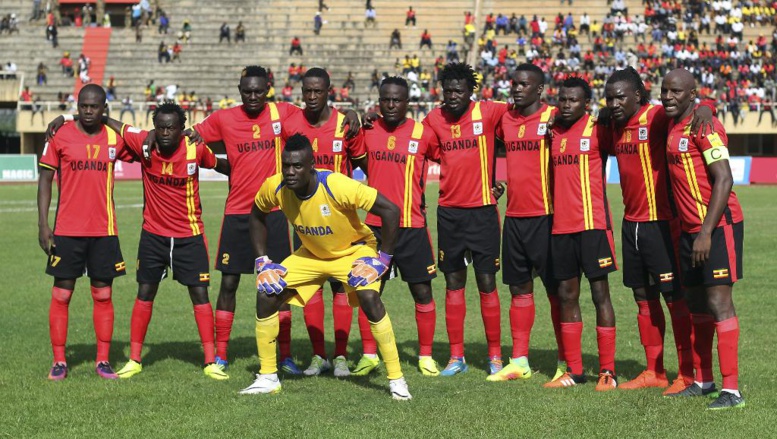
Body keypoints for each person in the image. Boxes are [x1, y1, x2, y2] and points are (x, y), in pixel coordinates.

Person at [184, 65, 358, 374]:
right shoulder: (223, 118)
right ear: (239, 90)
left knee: (281, 285)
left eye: (258, 91)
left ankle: (287, 355)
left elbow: (318, 116)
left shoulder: (283, 114)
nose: (252, 96)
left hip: (275, 213)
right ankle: (221, 354)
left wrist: (354, 115)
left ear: (268, 89)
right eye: (246, 91)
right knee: (229, 283)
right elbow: (193, 136)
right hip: (237, 213)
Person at [238, 133, 411, 400]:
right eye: (286, 166)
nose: (291, 172)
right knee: (266, 294)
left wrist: (383, 259)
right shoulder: (275, 187)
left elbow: (390, 210)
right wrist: (262, 260)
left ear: (311, 165)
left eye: (297, 166)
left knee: (369, 298)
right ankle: (268, 377)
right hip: (310, 255)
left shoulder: (337, 185)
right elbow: (256, 214)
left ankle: (397, 379)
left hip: (352, 251)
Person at [81, 103, 228, 380]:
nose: (165, 133)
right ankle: (135, 359)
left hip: (190, 236)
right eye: (159, 127)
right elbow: (115, 124)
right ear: (153, 127)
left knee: (199, 295)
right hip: (153, 236)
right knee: (145, 293)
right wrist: (68, 116)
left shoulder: (195, 148)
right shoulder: (144, 145)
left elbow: (220, 165)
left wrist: (247, 180)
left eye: (171, 127)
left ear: (182, 127)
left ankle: (210, 362)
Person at [602, 67, 713, 394]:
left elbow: (693, 110)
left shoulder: (656, 117)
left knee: (675, 300)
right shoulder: (613, 126)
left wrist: (708, 106)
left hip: (662, 224)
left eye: (621, 96)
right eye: (609, 98)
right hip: (631, 224)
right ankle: (654, 371)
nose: (614, 103)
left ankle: (687, 373)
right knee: (642, 299)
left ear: (638, 95)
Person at [661, 68, 745, 410]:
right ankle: (703, 380)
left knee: (718, 303)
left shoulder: (705, 126)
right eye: (664, 90)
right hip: (689, 230)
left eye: (676, 91)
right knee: (695, 303)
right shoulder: (672, 123)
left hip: (717, 227)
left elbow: (724, 179)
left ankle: (732, 390)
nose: (668, 96)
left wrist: (707, 233)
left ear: (691, 93)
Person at [421, 63, 508, 377]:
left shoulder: (488, 112)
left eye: (459, 90)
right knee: (453, 283)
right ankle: (455, 357)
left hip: (483, 213)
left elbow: (524, 112)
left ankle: (495, 356)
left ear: (471, 90)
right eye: (448, 91)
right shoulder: (433, 119)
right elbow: (421, 149)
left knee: (487, 283)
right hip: (449, 214)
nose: (452, 96)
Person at [280, 68, 367, 376]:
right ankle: (319, 356)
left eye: (318, 91)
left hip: (342, 222)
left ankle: (341, 356)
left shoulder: (346, 123)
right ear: (301, 92)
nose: (313, 97)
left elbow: (363, 163)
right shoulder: (290, 124)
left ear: (330, 91)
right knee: (311, 287)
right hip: (305, 222)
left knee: (342, 288)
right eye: (307, 92)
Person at [38, 84, 127, 381]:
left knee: (103, 295)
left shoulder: (115, 137)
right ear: (78, 106)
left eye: (94, 106)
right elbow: (45, 180)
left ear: (104, 108)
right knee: (62, 295)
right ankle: (59, 361)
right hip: (67, 230)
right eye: (83, 106)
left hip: (104, 230)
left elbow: (142, 139)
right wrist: (43, 224)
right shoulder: (59, 135)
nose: (88, 111)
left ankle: (103, 361)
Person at [358, 76, 441, 376]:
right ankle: (369, 355)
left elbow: (452, 161)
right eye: (385, 99)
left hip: (412, 226)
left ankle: (426, 356)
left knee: (422, 292)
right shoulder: (368, 131)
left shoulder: (423, 133)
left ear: (408, 102)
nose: (391, 105)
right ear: (379, 100)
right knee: (367, 291)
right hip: (375, 227)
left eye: (397, 100)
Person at [487, 64, 566, 383]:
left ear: (539, 90)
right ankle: (519, 361)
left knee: (557, 291)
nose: (516, 89)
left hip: (546, 217)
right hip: (514, 218)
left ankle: (566, 361)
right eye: (513, 84)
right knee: (518, 288)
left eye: (524, 84)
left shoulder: (555, 117)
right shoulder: (505, 118)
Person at [543, 77, 618, 391]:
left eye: (573, 100)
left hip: (593, 226)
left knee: (600, 295)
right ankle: (574, 371)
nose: (566, 104)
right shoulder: (554, 131)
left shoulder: (598, 128)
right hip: (561, 227)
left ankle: (608, 372)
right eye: (562, 99)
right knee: (566, 296)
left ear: (586, 103)